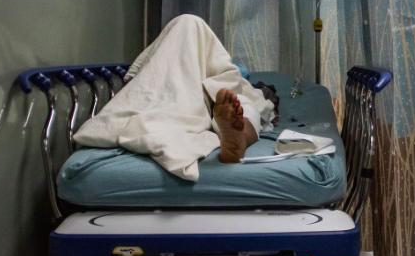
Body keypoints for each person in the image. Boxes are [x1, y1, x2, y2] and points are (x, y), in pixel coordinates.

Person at [74, 14, 274, 180]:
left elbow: (139, 74)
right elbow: (157, 69)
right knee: (245, 103)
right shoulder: (195, 42)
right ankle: (237, 136)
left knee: (238, 99)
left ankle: (234, 135)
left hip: (208, 91)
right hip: (198, 85)